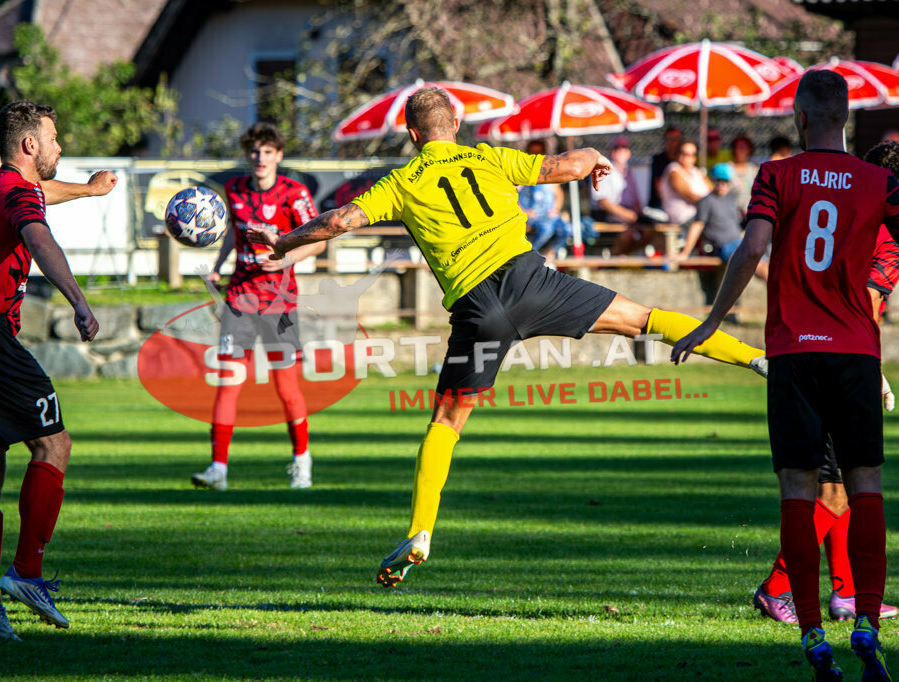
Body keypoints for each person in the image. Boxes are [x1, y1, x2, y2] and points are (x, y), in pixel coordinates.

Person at [246, 87, 769, 590]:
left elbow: (339, 220)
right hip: (533, 283)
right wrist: (594, 157)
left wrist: (283, 242)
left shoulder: (400, 183)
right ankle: (756, 360)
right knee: (646, 320)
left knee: (446, 423)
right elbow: (565, 165)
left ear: (412, 135)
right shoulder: (489, 158)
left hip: (478, 311)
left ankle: (420, 531)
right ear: (456, 124)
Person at [671, 70, 899, 681]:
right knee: (865, 484)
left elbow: (751, 249)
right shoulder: (881, 183)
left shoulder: (775, 176)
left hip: (794, 355)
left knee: (799, 491)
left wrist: (711, 321)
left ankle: (812, 633)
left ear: (799, 117)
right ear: (846, 118)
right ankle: (866, 621)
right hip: (856, 354)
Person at [0, 101, 117, 639]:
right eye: (54, 138)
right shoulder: (17, 191)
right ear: (30, 144)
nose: (60, 146)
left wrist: (88, 191)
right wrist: (79, 301)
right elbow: (39, 236)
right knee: (54, 445)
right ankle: (27, 573)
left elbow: (41, 194)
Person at [752, 140, 899, 627]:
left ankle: (847, 592)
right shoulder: (892, 232)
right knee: (836, 491)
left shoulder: (838, 210)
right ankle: (776, 587)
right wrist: (874, 367)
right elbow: (868, 299)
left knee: (835, 484)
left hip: (800, 350)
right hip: (844, 360)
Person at [190, 122, 325, 491]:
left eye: (267, 151)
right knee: (229, 383)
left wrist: (285, 260)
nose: (260, 157)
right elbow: (231, 236)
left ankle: (302, 462)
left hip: (281, 303)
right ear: (247, 155)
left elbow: (318, 241)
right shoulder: (234, 190)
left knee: (286, 388)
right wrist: (218, 266)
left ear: (278, 155)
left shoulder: (294, 193)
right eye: (254, 151)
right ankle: (218, 469)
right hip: (240, 300)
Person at [673, 163, 743, 263]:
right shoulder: (706, 201)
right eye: (718, 181)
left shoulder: (732, 199)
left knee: (761, 261)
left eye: (725, 181)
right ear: (713, 180)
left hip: (739, 242)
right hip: (723, 246)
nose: (721, 184)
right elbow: (697, 226)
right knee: (756, 265)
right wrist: (685, 253)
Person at [590, 135, 647, 254]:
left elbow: (636, 200)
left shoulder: (629, 172)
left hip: (628, 218)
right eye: (617, 148)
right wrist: (628, 215)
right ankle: (614, 258)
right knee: (628, 235)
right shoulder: (604, 170)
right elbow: (603, 202)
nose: (620, 151)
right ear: (611, 151)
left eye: (624, 147)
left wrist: (637, 216)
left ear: (629, 152)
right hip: (609, 217)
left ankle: (621, 257)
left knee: (651, 233)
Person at [518, 139, 570, 258]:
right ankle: (528, 256)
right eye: (533, 152)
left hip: (549, 215)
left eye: (540, 152)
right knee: (546, 230)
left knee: (567, 229)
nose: (537, 155)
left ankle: (550, 254)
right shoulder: (522, 173)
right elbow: (511, 194)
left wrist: (556, 209)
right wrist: (523, 211)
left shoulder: (548, 173)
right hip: (533, 217)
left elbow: (559, 194)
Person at [661, 140, 711, 226]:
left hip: (703, 214)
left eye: (691, 154)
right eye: (684, 153)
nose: (687, 157)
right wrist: (709, 205)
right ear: (677, 154)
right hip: (684, 218)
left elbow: (712, 190)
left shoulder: (697, 172)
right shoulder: (673, 170)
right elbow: (687, 194)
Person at [648, 126, 682, 211]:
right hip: (660, 206)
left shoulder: (682, 162)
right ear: (665, 141)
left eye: (676, 139)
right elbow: (659, 188)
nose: (673, 142)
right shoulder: (658, 160)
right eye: (670, 139)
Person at [728, 135, 758, 214]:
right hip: (732, 214)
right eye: (738, 147)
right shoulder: (726, 169)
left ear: (749, 150)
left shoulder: (754, 170)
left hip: (751, 213)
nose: (741, 150)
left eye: (744, 147)